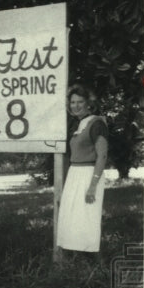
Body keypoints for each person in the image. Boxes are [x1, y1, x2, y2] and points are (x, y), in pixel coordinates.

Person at [55, 83, 110, 262]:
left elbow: (102, 156)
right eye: (72, 102)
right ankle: (78, 262)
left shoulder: (96, 124)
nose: (76, 105)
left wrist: (93, 185)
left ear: (88, 103)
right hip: (75, 174)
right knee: (72, 218)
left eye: (80, 102)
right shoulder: (79, 124)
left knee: (87, 220)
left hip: (89, 174)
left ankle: (97, 265)